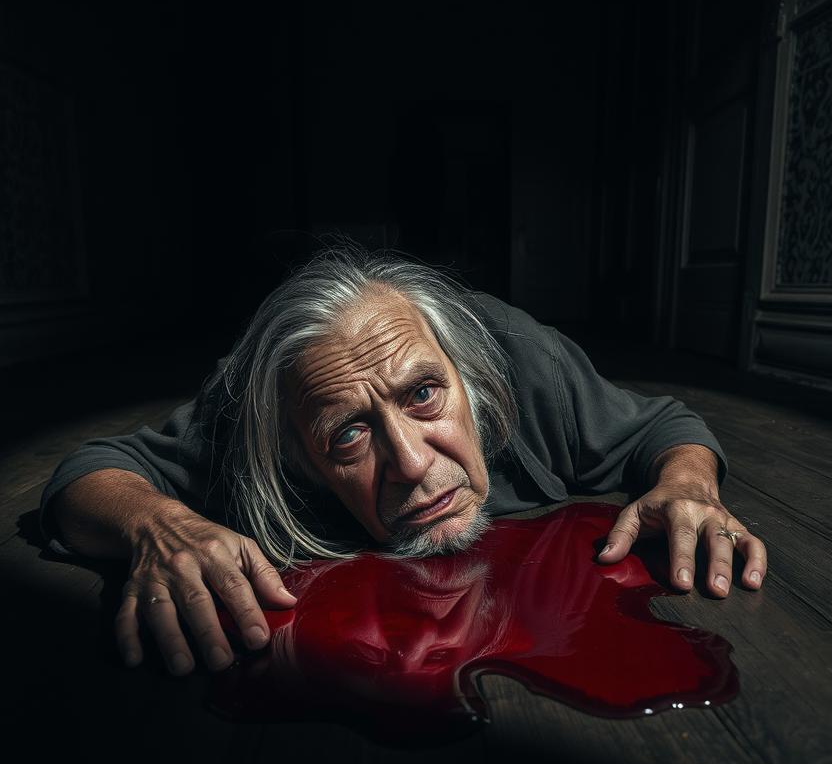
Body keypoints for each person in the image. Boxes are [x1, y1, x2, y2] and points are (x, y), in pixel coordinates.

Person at [41, 247, 768, 678]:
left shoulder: (524, 360)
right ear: (296, 459)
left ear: (470, 381)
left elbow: (665, 426)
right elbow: (89, 476)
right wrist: (157, 523)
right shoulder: (251, 415)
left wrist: (687, 484)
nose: (414, 465)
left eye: (425, 395)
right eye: (349, 436)